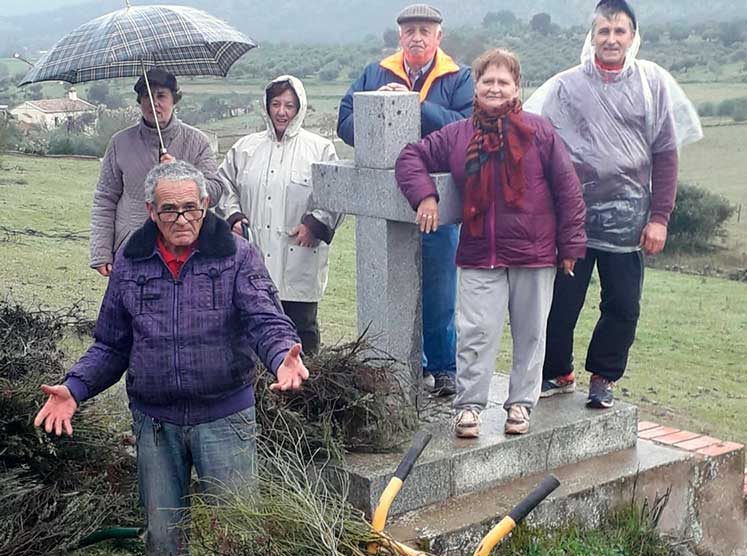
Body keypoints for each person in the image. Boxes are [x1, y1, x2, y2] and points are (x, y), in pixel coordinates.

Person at [36, 161, 307, 556]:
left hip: (224, 418)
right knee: (164, 539)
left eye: (190, 208)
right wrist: (75, 388)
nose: (182, 219)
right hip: (156, 423)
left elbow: (264, 320)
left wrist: (281, 355)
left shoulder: (238, 256)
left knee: (237, 535)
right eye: (169, 210)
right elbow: (111, 343)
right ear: (150, 211)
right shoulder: (131, 260)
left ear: (206, 205)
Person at [395, 49, 586, 439]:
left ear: (517, 88)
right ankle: (469, 406)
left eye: (503, 81)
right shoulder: (458, 134)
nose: (495, 88)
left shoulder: (540, 132)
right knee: (475, 332)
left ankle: (520, 404)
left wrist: (570, 246)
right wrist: (425, 196)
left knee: (531, 334)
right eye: (487, 81)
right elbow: (411, 156)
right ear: (477, 87)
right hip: (480, 251)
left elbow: (568, 190)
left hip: (534, 253)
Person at [526, 0, 702, 409]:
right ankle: (557, 371)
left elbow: (666, 154)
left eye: (619, 31)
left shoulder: (651, 84)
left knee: (623, 304)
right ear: (591, 37)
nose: (611, 39)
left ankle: (603, 377)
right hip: (572, 218)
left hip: (629, 220)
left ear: (632, 37)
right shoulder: (566, 86)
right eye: (603, 31)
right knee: (560, 302)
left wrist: (660, 217)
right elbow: (538, 144)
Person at [337, 3, 474, 396]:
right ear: (400, 35)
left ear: (438, 37)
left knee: (439, 287)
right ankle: (394, 368)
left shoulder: (459, 76)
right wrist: (378, 111)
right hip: (385, 191)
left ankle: (444, 367)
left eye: (424, 31)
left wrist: (414, 106)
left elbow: (465, 127)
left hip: (434, 195)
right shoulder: (375, 73)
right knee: (387, 284)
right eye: (410, 30)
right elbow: (344, 122)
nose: (417, 37)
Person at [216, 75, 342, 355]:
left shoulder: (319, 149)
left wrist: (315, 224)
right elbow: (224, 185)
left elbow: (335, 195)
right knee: (251, 327)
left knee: (301, 330)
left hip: (299, 255)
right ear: (267, 106)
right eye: (276, 104)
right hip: (254, 252)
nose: (282, 112)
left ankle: (306, 379)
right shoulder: (245, 148)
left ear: (300, 108)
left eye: (289, 105)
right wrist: (233, 216)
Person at [89, 69, 224, 276]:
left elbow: (214, 192)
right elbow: (105, 198)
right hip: (132, 247)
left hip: (185, 248)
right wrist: (101, 252)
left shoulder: (197, 142)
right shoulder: (119, 143)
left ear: (174, 100)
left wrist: (182, 172)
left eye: (161, 96)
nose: (154, 103)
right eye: (147, 96)